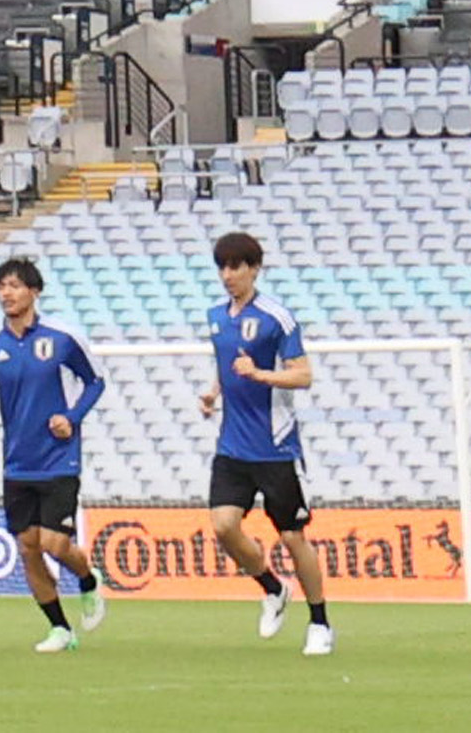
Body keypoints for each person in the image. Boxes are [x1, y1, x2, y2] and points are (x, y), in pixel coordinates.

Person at [0, 255, 111, 650]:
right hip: (17, 462)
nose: (6, 294)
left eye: (13, 285)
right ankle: (60, 628)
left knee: (55, 544)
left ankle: (88, 579)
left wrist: (72, 417)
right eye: (0, 287)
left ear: (34, 291)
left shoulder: (61, 337)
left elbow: (95, 382)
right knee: (27, 547)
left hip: (59, 457)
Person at [198, 230, 331, 656]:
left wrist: (261, 375)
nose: (227, 275)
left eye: (235, 266)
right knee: (222, 526)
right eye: (222, 266)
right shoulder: (216, 316)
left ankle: (320, 622)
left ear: (254, 269)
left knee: (293, 538)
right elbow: (226, 364)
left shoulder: (278, 317)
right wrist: (213, 392)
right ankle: (273, 588)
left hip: (275, 447)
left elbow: (304, 375)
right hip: (232, 446)